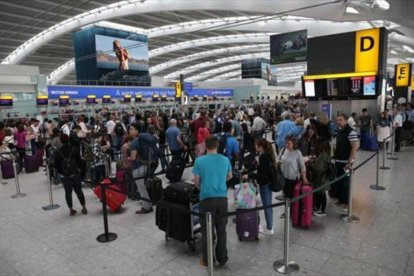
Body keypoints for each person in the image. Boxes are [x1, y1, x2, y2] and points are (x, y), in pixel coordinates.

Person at [193, 136, 232, 267]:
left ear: (206, 145)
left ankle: (207, 259)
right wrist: (220, 182)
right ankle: (222, 258)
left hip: (206, 198)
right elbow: (230, 176)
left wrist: (203, 187)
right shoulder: (225, 159)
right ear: (217, 145)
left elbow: (196, 182)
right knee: (222, 230)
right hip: (222, 199)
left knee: (207, 231)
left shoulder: (199, 161)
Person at [243, 138, 276, 234]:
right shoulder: (268, 155)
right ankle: (270, 225)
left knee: (266, 206)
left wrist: (249, 175)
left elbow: (262, 174)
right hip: (268, 183)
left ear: (261, 147)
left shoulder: (263, 157)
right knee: (268, 205)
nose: (255, 147)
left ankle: (269, 228)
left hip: (264, 184)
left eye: (256, 145)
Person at [54, 134, 87, 216]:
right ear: (68, 140)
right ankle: (84, 207)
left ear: (61, 141)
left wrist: (61, 172)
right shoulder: (74, 149)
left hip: (65, 175)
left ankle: (71, 210)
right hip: (75, 174)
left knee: (68, 193)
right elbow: (80, 163)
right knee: (79, 191)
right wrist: (81, 173)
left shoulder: (58, 152)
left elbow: (56, 165)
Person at [332, 114, 359, 211]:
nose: (338, 121)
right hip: (338, 160)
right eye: (337, 120)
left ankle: (347, 203)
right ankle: (340, 200)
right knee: (338, 182)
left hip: (346, 162)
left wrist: (349, 161)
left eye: (340, 120)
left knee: (346, 183)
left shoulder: (351, 132)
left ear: (346, 120)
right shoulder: (339, 131)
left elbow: (354, 147)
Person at [279, 135, 310, 218]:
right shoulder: (284, 150)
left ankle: (292, 213)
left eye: (288, 143)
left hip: (292, 179)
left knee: (291, 197)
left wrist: (304, 177)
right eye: (286, 143)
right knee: (286, 196)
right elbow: (279, 160)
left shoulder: (297, 153)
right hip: (283, 178)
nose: (286, 145)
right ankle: (287, 211)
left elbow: (302, 167)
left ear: (293, 144)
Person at [128, 123, 153, 214]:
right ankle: (148, 205)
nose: (129, 131)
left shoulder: (135, 142)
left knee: (141, 188)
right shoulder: (143, 139)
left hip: (138, 167)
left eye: (131, 129)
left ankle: (146, 207)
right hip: (145, 165)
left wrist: (128, 158)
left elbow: (133, 157)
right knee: (143, 187)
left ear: (137, 130)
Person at [308, 138, 330, 217]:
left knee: (322, 193)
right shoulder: (323, 154)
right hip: (321, 178)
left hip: (322, 179)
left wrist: (311, 164)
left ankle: (322, 210)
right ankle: (317, 206)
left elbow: (318, 168)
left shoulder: (322, 155)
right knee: (319, 193)